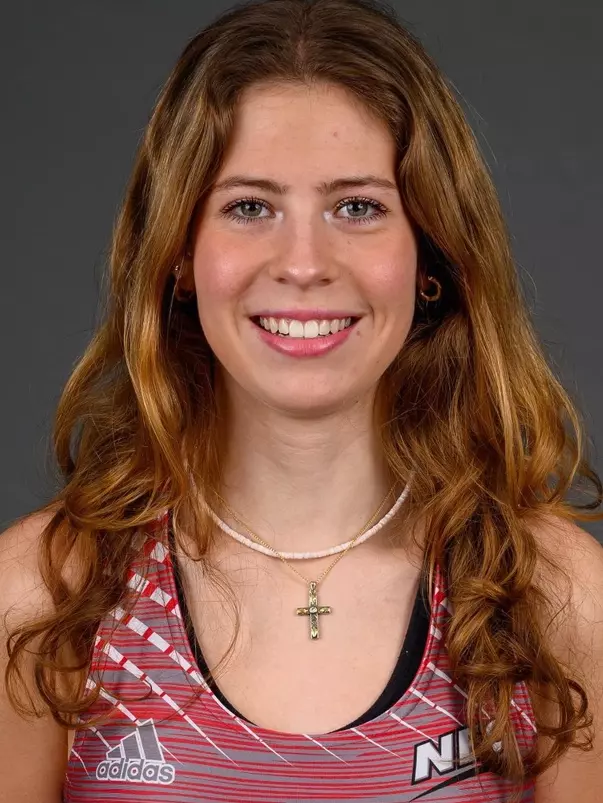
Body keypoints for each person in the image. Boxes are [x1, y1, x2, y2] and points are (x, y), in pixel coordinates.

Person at [1, 0, 602, 800]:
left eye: (357, 206)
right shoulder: (43, 601)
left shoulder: (555, 597)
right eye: (249, 206)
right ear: (180, 255)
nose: (304, 262)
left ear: (430, 253)